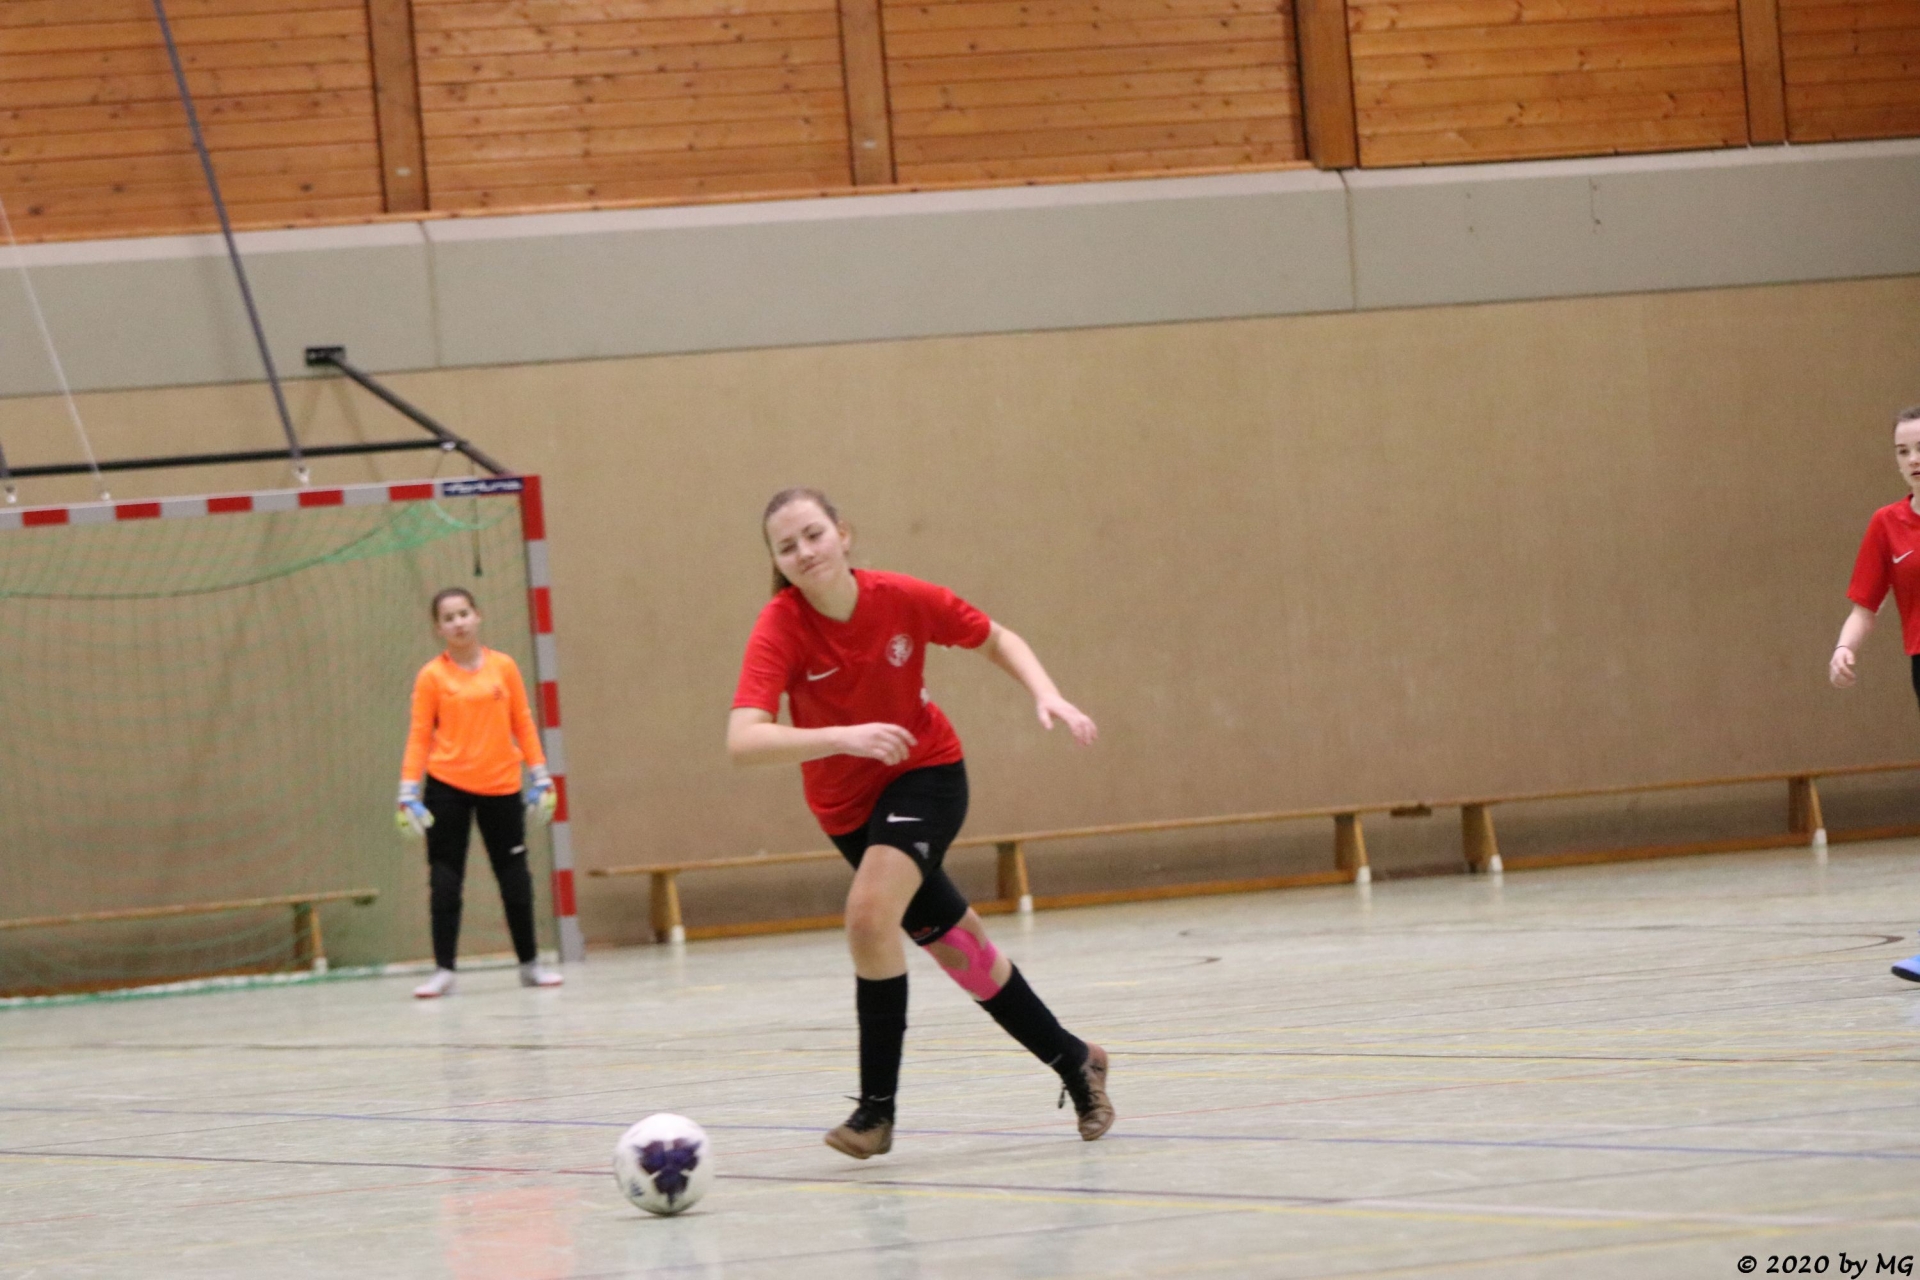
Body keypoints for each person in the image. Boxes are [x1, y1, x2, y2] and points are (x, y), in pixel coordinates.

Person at [728, 487, 1113, 1159]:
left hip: (925, 774)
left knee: (868, 917)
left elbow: (995, 638)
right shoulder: (781, 625)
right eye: (787, 547)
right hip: (846, 810)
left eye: (814, 534)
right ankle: (1075, 1059)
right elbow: (743, 741)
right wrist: (842, 738)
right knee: (959, 949)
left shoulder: (900, 598)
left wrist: (1047, 693)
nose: (805, 552)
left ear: (844, 534)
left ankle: (875, 1114)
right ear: (777, 562)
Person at [397, 587, 563, 998]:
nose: (458, 623)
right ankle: (444, 971)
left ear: (477, 615)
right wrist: (407, 791)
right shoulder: (432, 676)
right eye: (448, 618)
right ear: (438, 628)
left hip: (502, 785)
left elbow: (522, 722)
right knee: (445, 880)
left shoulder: (504, 667)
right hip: (446, 788)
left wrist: (541, 775)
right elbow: (419, 734)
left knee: (515, 878)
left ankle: (530, 965)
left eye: (463, 613)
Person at [1830, 405, 1920, 982]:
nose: (1914, 460)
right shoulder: (1887, 525)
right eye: (1903, 451)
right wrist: (1845, 648)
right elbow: (1866, 605)